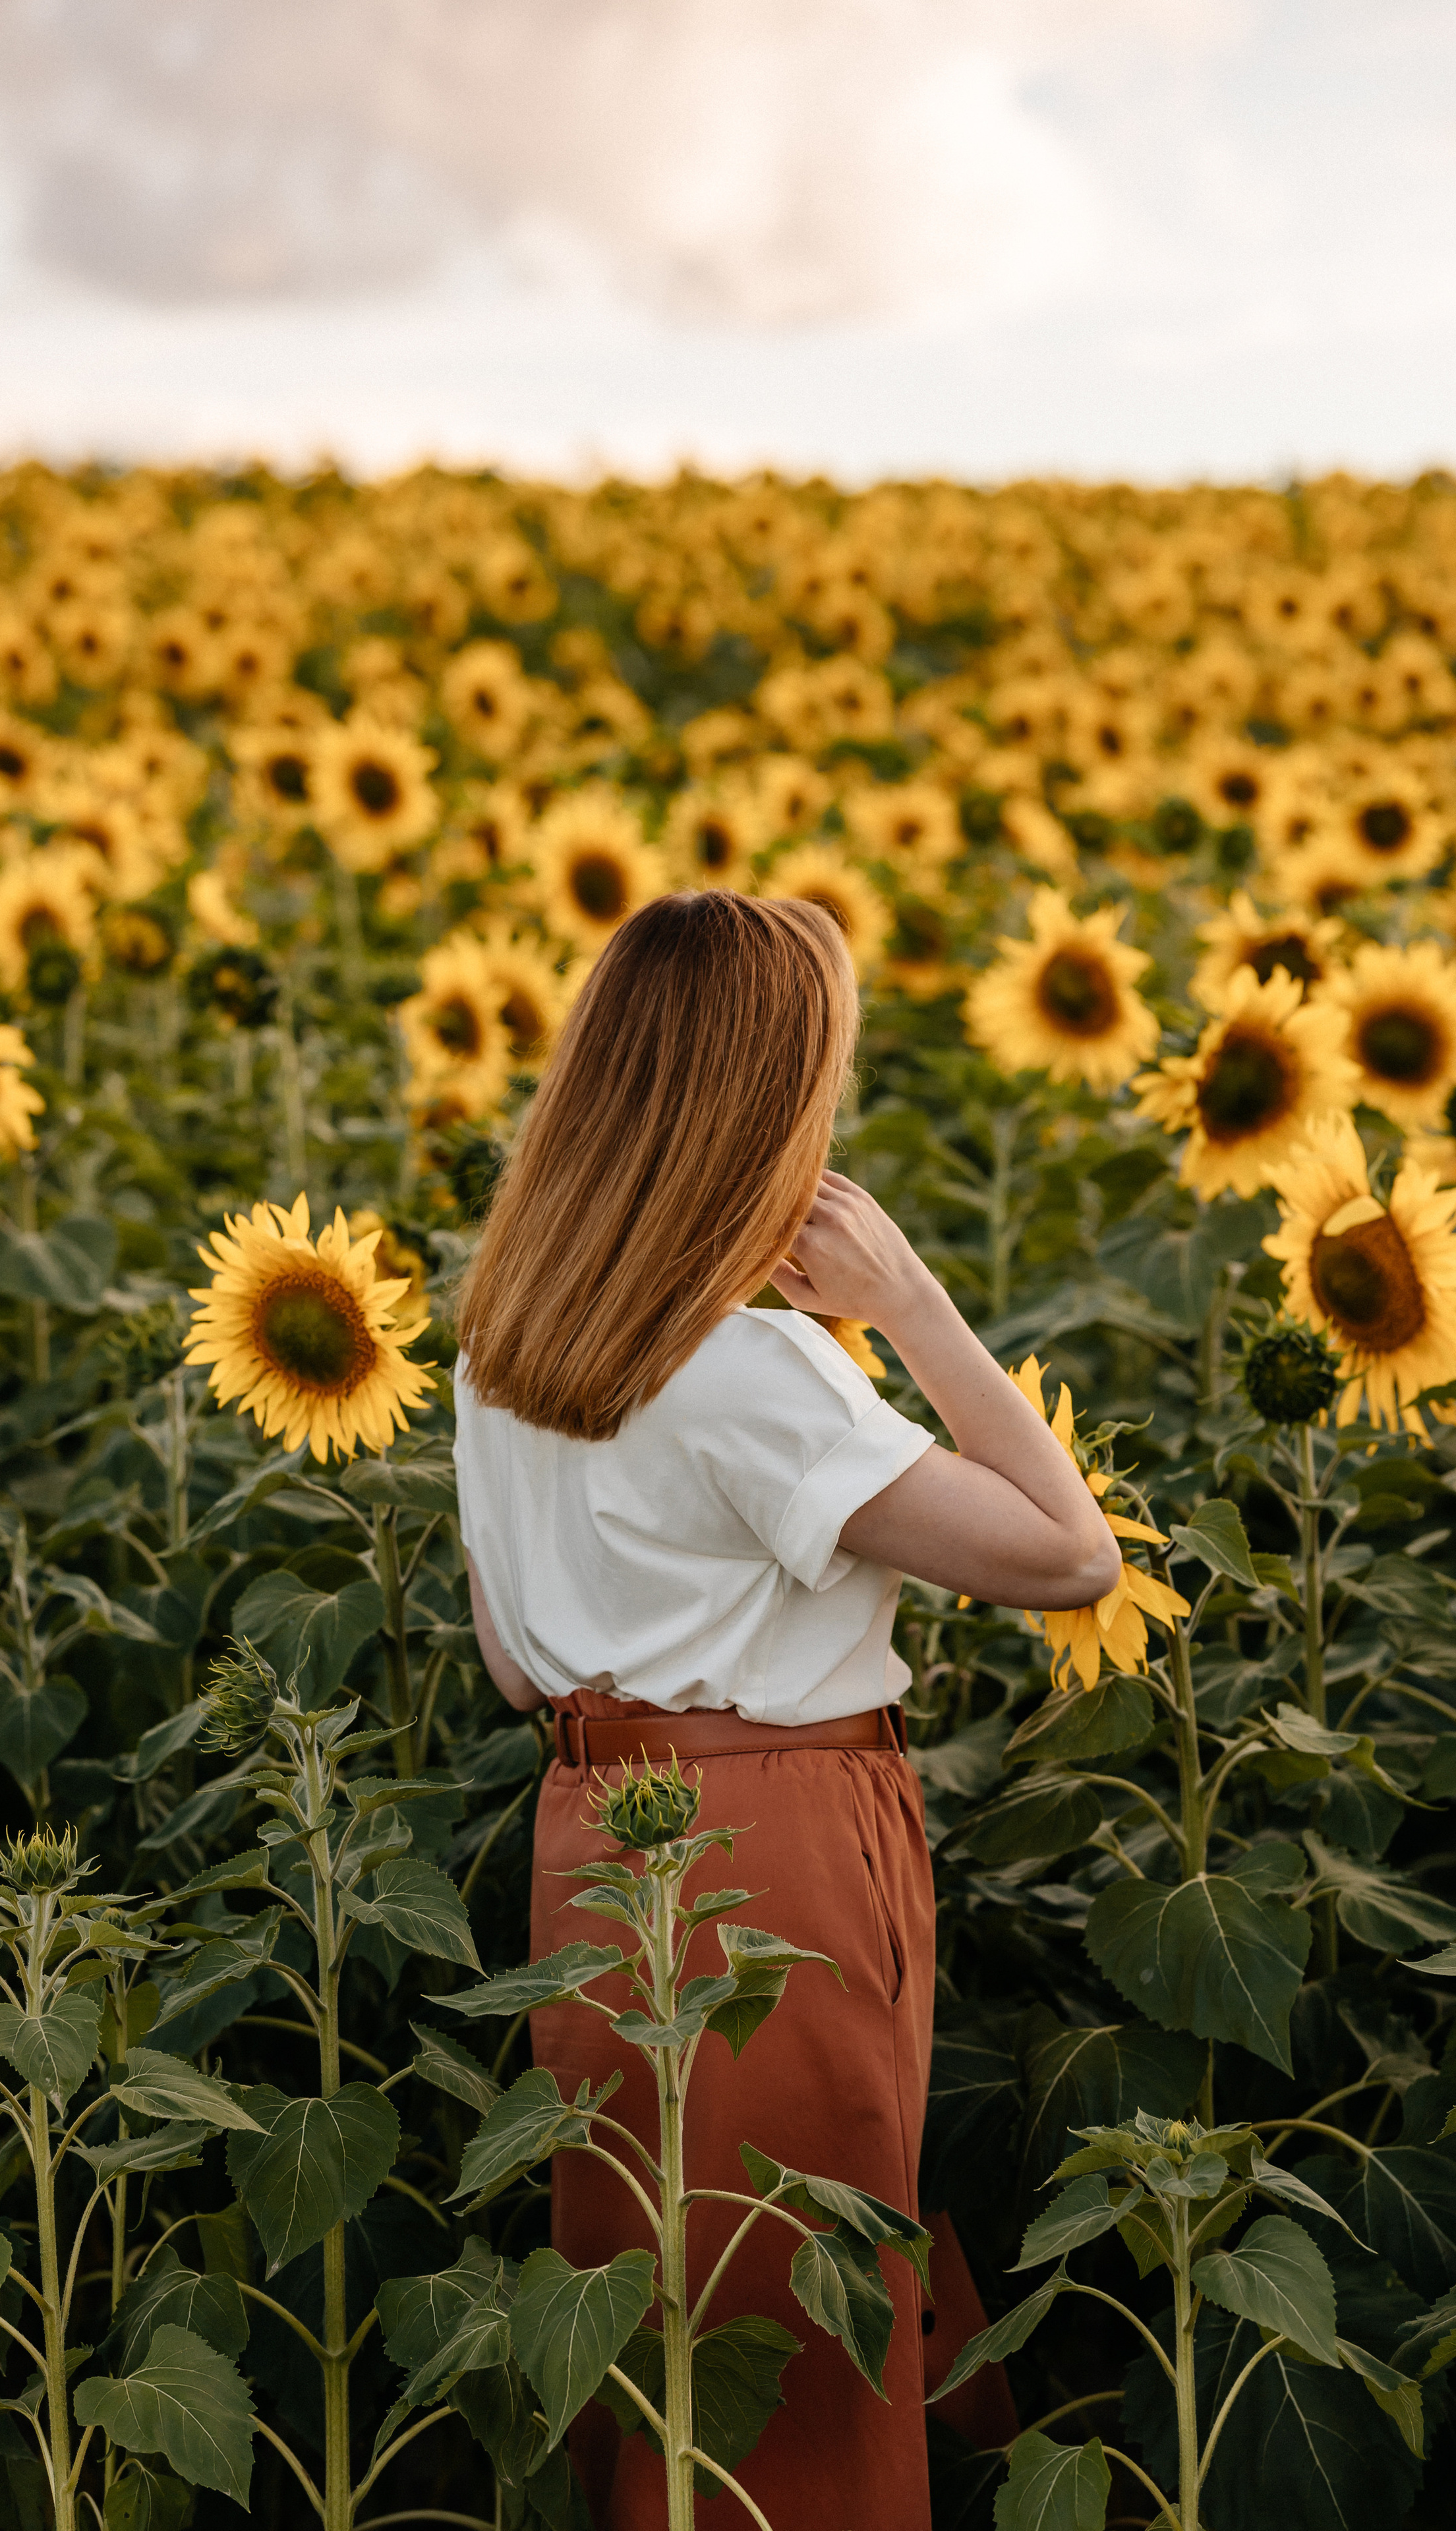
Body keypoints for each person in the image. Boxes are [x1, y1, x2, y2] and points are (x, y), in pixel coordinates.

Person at [451, 889, 1121, 2530]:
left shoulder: (506, 1342)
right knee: (797, 2311)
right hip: (780, 1845)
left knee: (652, 2304)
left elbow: (514, 1666)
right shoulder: (745, 1365)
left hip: (590, 1839)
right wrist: (910, 1305)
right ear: (763, 1103)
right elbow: (1067, 1556)